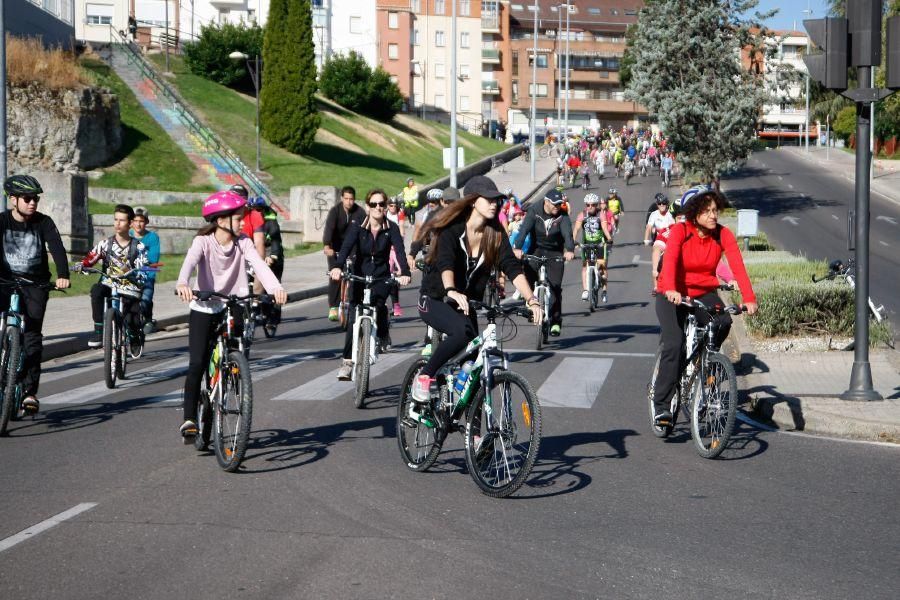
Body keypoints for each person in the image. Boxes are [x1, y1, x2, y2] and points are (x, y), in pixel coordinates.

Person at [410, 175, 542, 404]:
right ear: (472, 201)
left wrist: (531, 298)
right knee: (461, 334)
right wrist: (450, 289)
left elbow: (511, 266)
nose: (494, 203)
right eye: (489, 199)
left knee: (474, 371)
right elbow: (446, 262)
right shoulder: (452, 228)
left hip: (466, 304)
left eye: (497, 200)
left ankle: (478, 434)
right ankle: (424, 376)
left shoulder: (495, 232)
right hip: (435, 298)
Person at [175, 191, 287, 442]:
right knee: (197, 364)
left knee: (237, 352)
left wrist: (275, 288)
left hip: (234, 304)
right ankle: (190, 419)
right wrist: (183, 283)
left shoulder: (243, 242)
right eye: (238, 218)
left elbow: (259, 265)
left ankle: (232, 375)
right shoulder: (203, 242)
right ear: (222, 220)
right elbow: (189, 264)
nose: (242, 222)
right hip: (204, 305)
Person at [651, 189, 758, 427]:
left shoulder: (723, 235)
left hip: (703, 292)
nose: (713, 215)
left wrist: (749, 298)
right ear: (694, 213)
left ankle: (706, 362)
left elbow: (738, 267)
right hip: (673, 292)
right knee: (674, 343)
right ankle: (662, 405)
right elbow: (669, 262)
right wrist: (669, 288)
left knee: (723, 321)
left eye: (715, 210)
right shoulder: (681, 231)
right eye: (706, 211)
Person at [0, 174, 71, 415]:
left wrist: (63, 274)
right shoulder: (2, 222)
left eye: (35, 199)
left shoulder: (44, 222)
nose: (32, 203)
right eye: (27, 198)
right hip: (4, 282)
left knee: (32, 337)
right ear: (13, 200)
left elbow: (57, 248)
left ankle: (29, 392)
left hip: (35, 285)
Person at [329, 190, 411, 380]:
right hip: (360, 274)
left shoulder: (391, 228)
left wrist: (405, 272)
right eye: (373, 204)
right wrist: (337, 267)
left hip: (381, 276)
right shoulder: (358, 226)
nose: (378, 208)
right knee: (353, 316)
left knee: (380, 306)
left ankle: (383, 333)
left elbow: (399, 251)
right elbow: (346, 247)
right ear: (368, 207)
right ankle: (348, 362)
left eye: (381, 204)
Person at [80, 204, 148, 353]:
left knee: (133, 320)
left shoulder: (139, 247)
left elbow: (143, 268)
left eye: (122, 220)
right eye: (115, 219)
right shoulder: (105, 244)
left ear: (130, 223)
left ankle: (135, 335)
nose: (117, 223)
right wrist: (83, 265)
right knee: (96, 290)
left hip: (130, 287)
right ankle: (99, 331)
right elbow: (90, 258)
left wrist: (140, 274)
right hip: (109, 284)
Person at [512, 189, 575, 337]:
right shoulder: (534, 210)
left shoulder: (562, 215)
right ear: (546, 202)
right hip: (537, 248)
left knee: (555, 287)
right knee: (527, 272)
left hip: (555, 252)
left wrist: (569, 250)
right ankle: (531, 301)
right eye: (554, 204)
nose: (557, 207)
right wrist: (517, 248)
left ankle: (555, 321)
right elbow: (523, 230)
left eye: (560, 204)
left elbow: (568, 234)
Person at [323, 186, 365, 321]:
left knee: (355, 274)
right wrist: (327, 245)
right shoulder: (335, 211)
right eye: (346, 199)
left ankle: (355, 303)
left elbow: (365, 231)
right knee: (335, 274)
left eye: (351, 199)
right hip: (336, 247)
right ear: (342, 199)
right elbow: (329, 228)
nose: (349, 202)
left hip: (353, 247)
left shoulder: (360, 212)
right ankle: (334, 306)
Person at [573, 193, 612, 304]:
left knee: (602, 266)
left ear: (596, 205)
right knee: (585, 266)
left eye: (593, 205)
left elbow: (604, 228)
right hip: (587, 243)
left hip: (599, 243)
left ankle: (604, 291)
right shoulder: (582, 215)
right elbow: (576, 229)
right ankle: (585, 290)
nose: (590, 207)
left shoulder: (601, 214)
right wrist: (573, 241)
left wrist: (609, 238)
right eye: (588, 205)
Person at [130, 207, 159, 334]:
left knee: (145, 300)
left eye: (141, 221)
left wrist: (145, 275)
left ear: (146, 222)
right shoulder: (126, 235)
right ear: (131, 222)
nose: (138, 224)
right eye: (135, 221)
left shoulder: (152, 237)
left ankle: (148, 318)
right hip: (128, 275)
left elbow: (153, 260)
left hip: (146, 275)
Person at [644, 193, 676, 293]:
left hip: (670, 240)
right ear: (657, 204)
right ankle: (656, 286)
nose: (662, 205)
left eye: (664, 204)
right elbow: (648, 227)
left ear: (667, 204)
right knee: (656, 259)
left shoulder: (670, 215)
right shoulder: (654, 214)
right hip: (658, 239)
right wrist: (646, 239)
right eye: (659, 204)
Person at [261, 203, 285, 327]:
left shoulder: (271, 223)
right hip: (259, 256)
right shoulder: (249, 222)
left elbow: (275, 241)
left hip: (274, 257)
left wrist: (273, 257)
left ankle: (274, 318)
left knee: (273, 286)